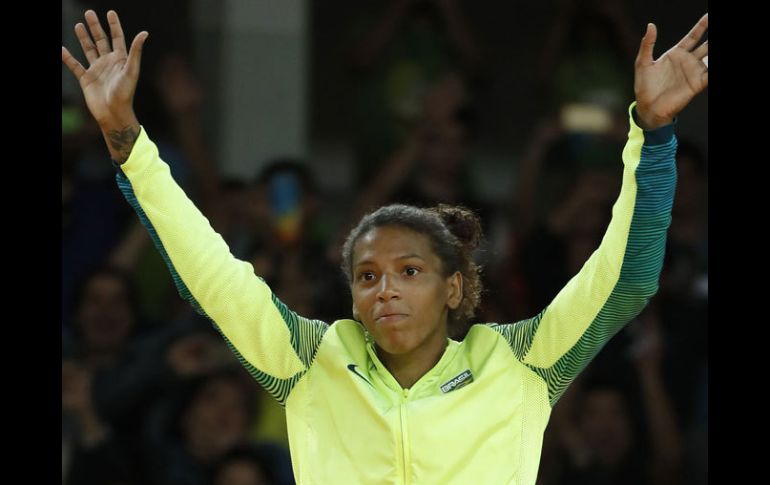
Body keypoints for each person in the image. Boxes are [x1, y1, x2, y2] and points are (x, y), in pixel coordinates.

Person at [62, 9, 708, 484]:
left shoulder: (520, 363)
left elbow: (625, 278)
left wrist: (652, 134)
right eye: (367, 275)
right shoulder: (309, 361)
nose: (385, 288)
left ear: (454, 286)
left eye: (409, 270)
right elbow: (206, 271)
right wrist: (125, 137)